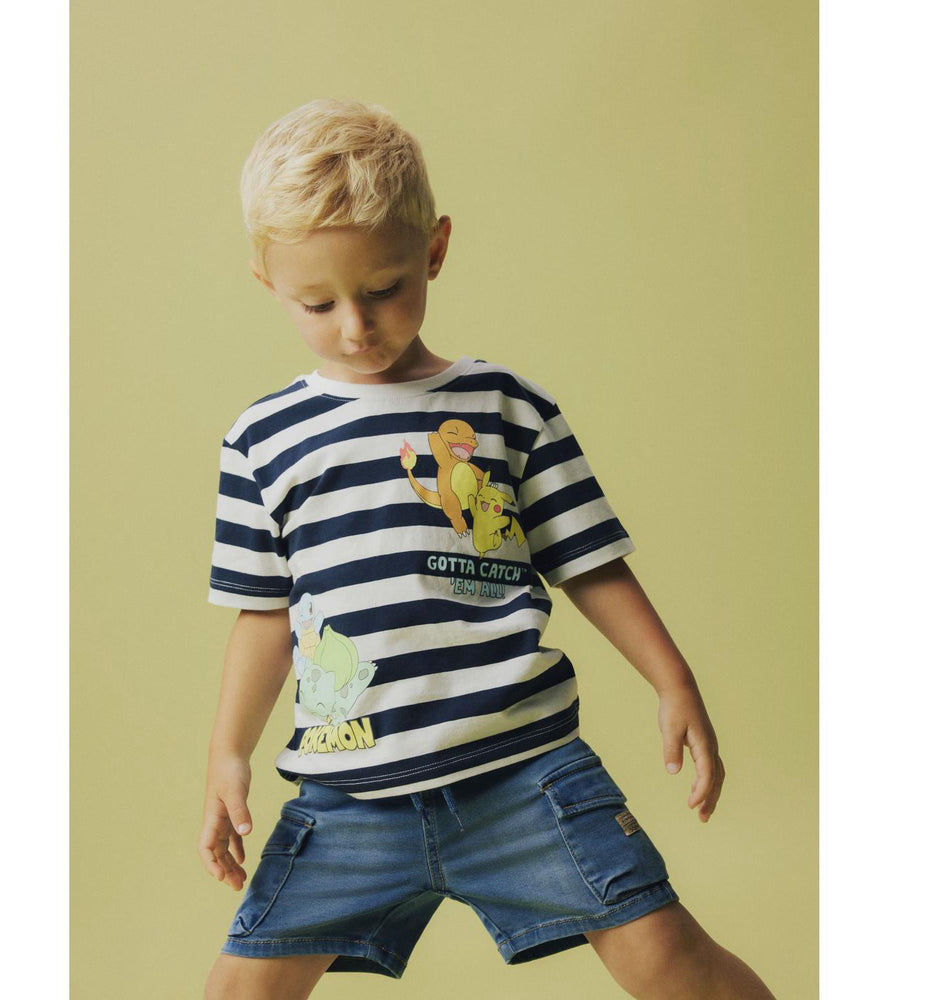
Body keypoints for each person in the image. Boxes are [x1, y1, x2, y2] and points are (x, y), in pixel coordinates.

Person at [198, 98, 775, 1000]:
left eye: (383, 288)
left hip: (525, 778)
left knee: (671, 960)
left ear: (434, 249)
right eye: (318, 303)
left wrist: (674, 681)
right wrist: (227, 754)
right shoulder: (262, 441)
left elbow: (590, 560)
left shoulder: (508, 409)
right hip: (349, 800)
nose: (356, 326)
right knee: (241, 989)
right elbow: (264, 616)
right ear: (267, 281)